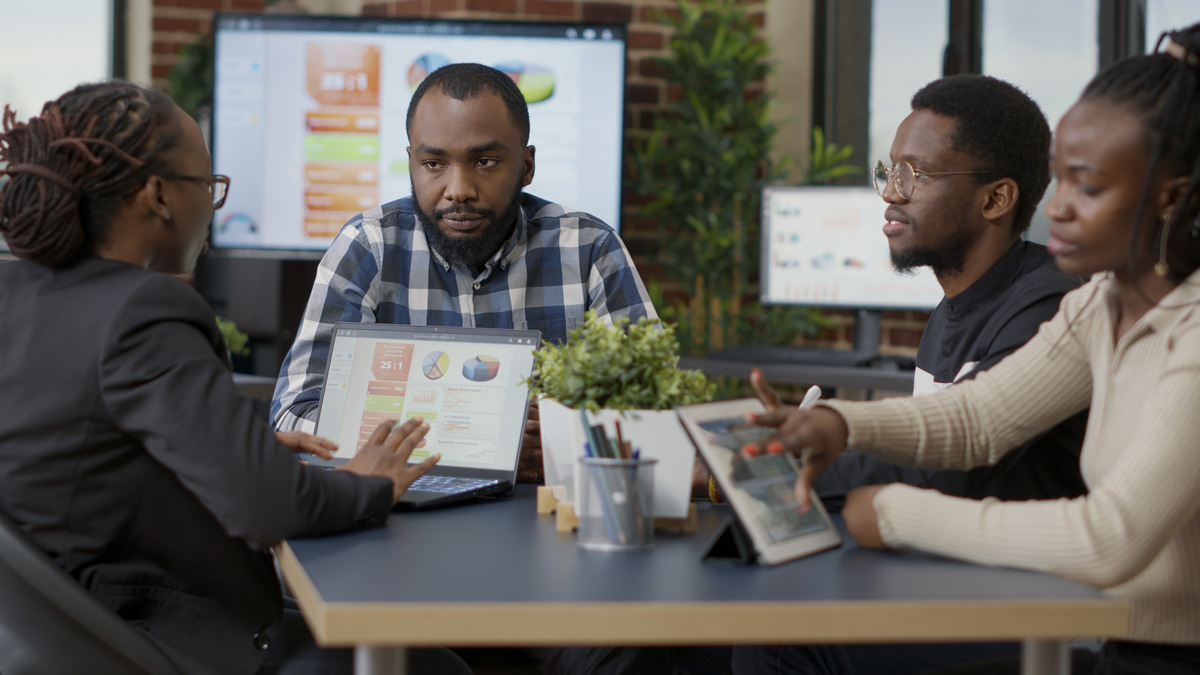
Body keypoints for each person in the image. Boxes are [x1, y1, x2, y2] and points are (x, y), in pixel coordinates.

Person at [738, 23, 1200, 675]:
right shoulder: (1103, 302)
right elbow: (979, 416)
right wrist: (839, 423)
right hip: (1115, 639)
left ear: (1170, 198)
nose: (1058, 208)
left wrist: (897, 514)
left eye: (1088, 187)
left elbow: (1110, 537)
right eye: (1060, 180)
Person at [0, 82, 471, 675]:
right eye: (208, 186)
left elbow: (77, 443)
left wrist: (236, 447)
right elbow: (268, 507)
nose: (213, 205)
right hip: (155, 638)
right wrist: (366, 483)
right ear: (158, 195)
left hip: (56, 632)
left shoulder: (15, 290)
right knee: (436, 670)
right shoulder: (142, 308)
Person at [720, 74, 1090, 675]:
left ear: (996, 199)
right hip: (947, 569)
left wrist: (773, 460)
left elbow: (950, 462)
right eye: (889, 170)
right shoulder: (951, 310)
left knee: (776, 635)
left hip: (1028, 602)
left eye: (915, 174)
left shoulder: (1048, 305)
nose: (891, 193)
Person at [270, 63, 658, 483]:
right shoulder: (369, 245)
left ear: (526, 166)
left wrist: (566, 442)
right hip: (402, 520)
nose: (459, 189)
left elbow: (655, 414)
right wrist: (469, 440)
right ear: (412, 163)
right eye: (434, 163)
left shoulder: (589, 249)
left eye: (485, 160)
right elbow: (294, 412)